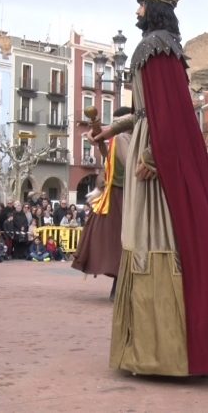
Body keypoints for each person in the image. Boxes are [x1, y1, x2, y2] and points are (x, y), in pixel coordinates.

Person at [88, 0, 208, 376]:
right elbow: (149, 112)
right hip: (156, 142)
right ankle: (163, 349)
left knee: (152, 237)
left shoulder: (152, 48)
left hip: (157, 155)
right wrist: (114, 129)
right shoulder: (164, 50)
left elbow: (169, 117)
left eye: (141, 4)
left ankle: (162, 352)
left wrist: (153, 157)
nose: (136, 10)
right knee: (159, 238)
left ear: (153, 9)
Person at [72, 107, 132, 299]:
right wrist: (100, 187)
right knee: (111, 240)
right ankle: (118, 283)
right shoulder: (117, 140)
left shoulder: (132, 138)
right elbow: (107, 163)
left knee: (124, 241)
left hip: (131, 195)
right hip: (114, 194)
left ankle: (123, 284)